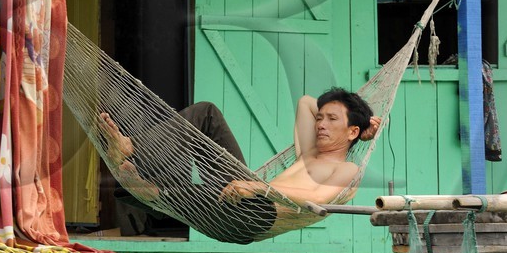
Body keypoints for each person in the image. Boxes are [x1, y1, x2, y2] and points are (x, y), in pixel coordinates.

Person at [97, 87, 381, 209]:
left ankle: (152, 190)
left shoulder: (347, 169)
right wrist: (357, 126)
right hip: (242, 195)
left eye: (332, 119)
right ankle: (134, 153)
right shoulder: (309, 155)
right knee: (205, 115)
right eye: (320, 118)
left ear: (352, 131)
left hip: (260, 209)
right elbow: (306, 101)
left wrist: (259, 189)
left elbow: (314, 199)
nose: (321, 124)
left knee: (182, 186)